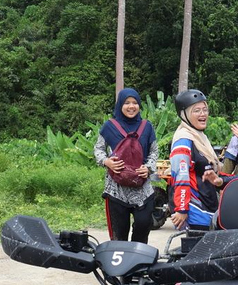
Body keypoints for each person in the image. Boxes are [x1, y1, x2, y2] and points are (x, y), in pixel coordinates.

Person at [94, 88, 158, 244]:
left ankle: (139, 262)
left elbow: (154, 152)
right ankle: (120, 266)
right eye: (127, 103)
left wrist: (148, 168)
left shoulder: (146, 126)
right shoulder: (110, 126)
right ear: (120, 105)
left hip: (142, 188)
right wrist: (106, 161)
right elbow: (98, 148)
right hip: (116, 189)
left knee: (143, 225)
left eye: (135, 103)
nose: (131, 106)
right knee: (119, 234)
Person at [169, 89, 221, 231]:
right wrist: (181, 209)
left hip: (207, 205)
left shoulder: (199, 137)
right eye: (196, 110)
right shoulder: (183, 141)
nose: (203, 114)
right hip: (194, 209)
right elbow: (181, 176)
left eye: (205, 110)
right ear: (184, 114)